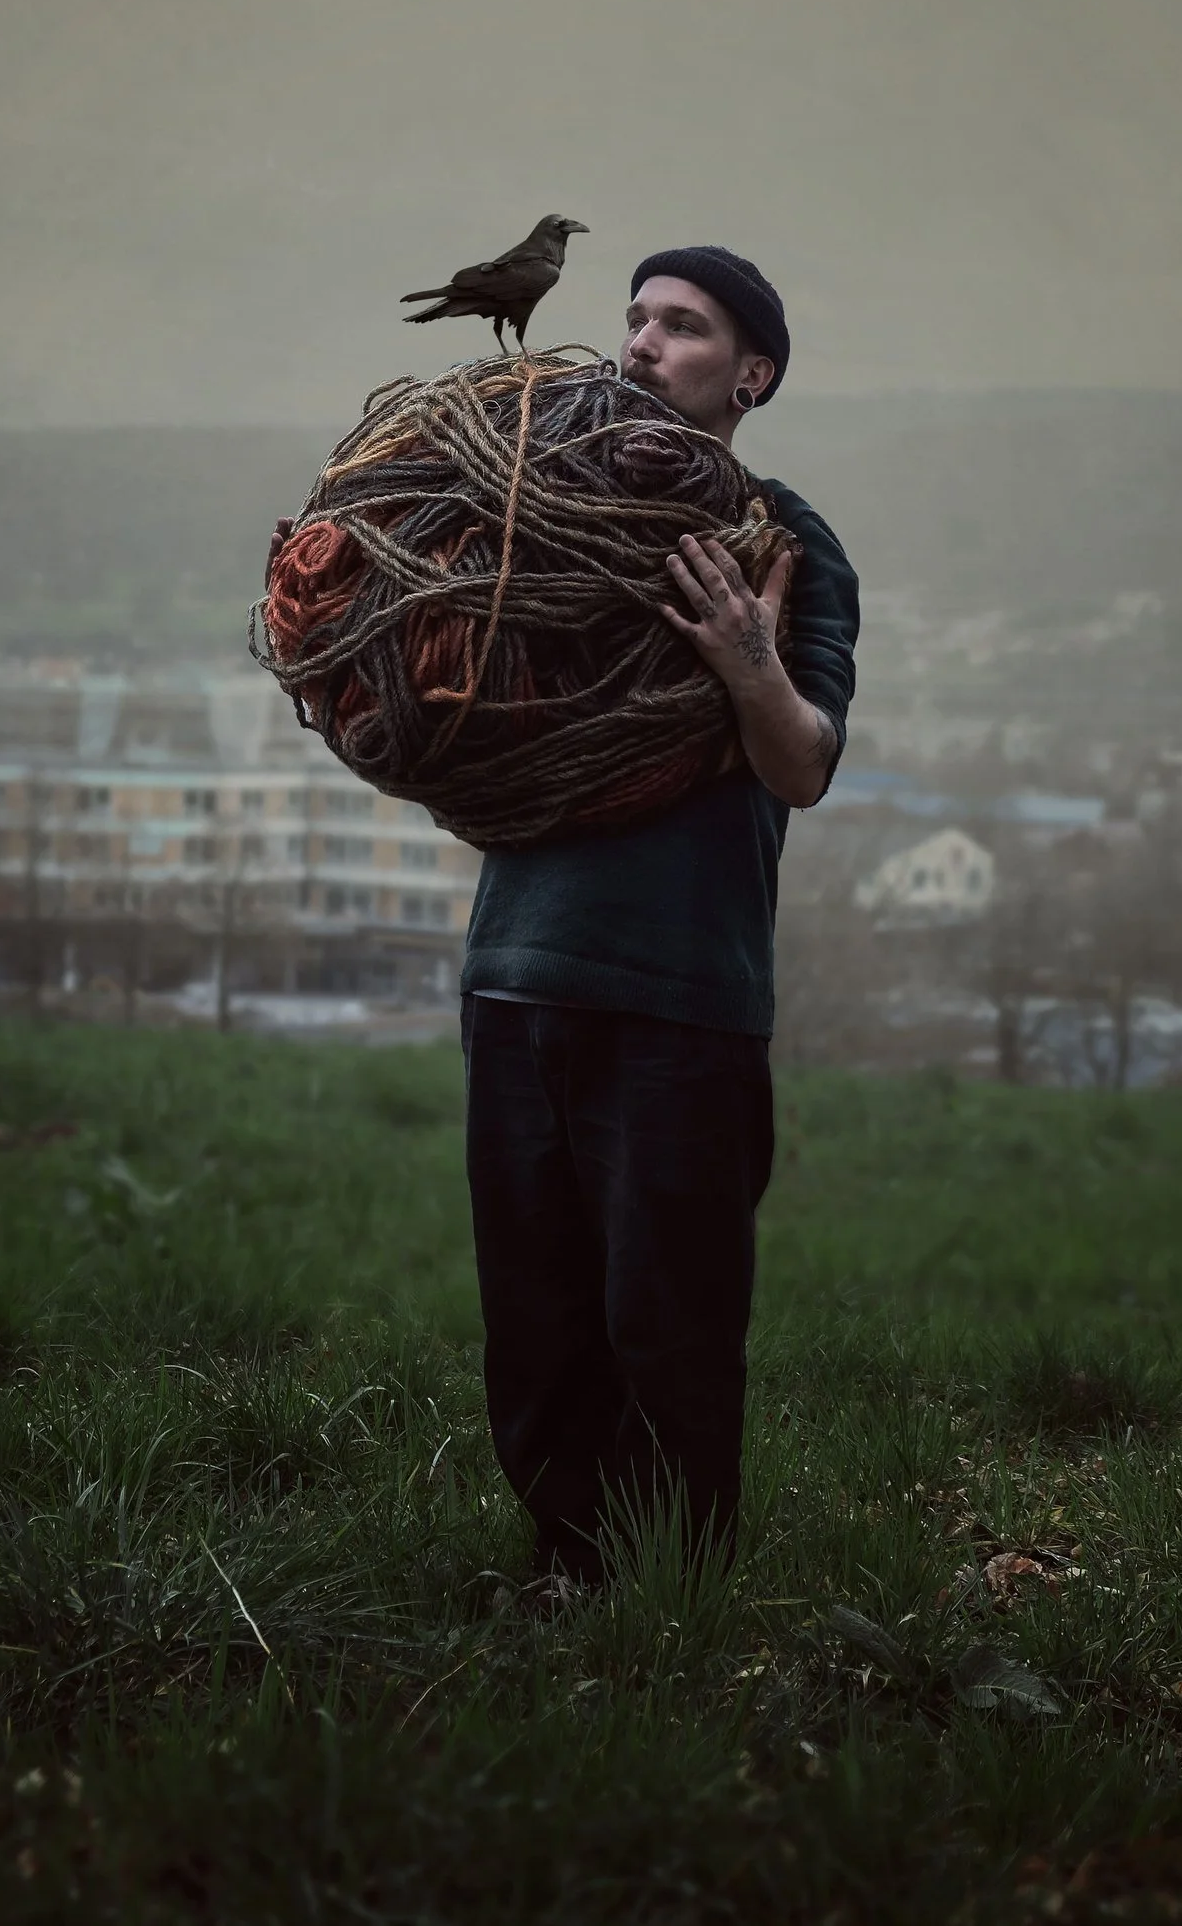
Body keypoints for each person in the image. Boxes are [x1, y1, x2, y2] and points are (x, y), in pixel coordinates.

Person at [458, 246, 860, 1588]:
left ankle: (674, 1604)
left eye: (682, 327)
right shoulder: (534, 507)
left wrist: (747, 653)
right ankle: (564, 1579)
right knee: (537, 1321)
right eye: (632, 318)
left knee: (669, 1326)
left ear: (753, 375)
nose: (640, 342)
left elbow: (802, 760)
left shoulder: (792, 545)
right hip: (517, 970)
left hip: (682, 992)